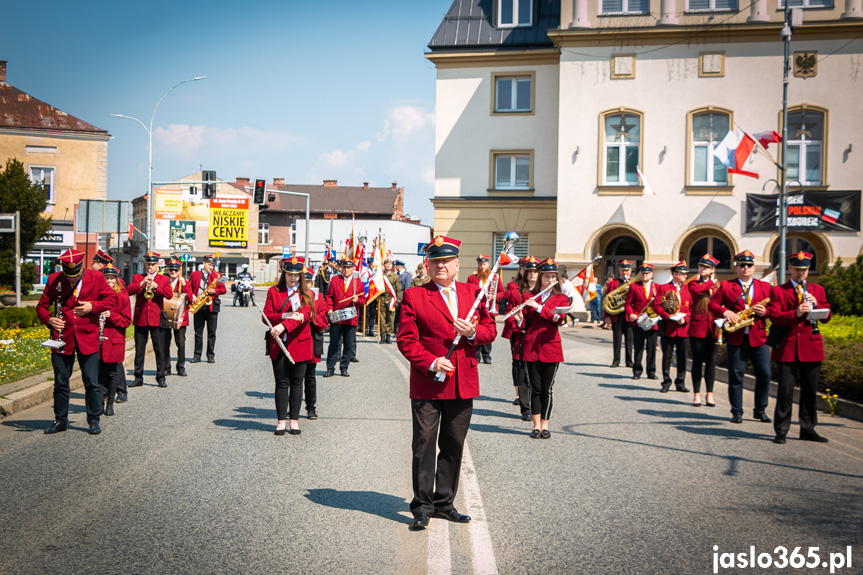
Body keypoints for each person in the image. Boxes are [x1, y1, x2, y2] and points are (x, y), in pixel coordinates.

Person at [396, 235, 497, 531]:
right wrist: (431, 361)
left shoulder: (471, 292)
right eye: (435, 261)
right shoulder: (415, 296)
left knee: (453, 444)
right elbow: (406, 340)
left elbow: (490, 329)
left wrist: (473, 333)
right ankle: (422, 506)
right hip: (429, 382)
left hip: (462, 381)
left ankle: (444, 503)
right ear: (428, 265)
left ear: (456, 264)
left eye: (446, 261)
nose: (440, 266)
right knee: (424, 444)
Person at [36, 249, 119, 435]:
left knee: (91, 382)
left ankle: (93, 420)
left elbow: (112, 298)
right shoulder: (54, 279)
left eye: (75, 276)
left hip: (87, 336)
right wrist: (49, 320)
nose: (72, 280)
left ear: (81, 268)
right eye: (69, 276)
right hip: (62, 337)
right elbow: (41, 306)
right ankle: (60, 420)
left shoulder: (96, 277)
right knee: (60, 382)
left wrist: (93, 306)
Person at [768, 251, 831, 444]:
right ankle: (781, 430)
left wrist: (816, 304)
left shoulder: (818, 290)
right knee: (785, 391)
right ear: (790, 269)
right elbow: (774, 316)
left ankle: (808, 428)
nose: (801, 273)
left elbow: (827, 315)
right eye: (797, 269)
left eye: (804, 270)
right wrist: (795, 313)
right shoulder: (779, 291)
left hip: (811, 347)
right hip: (788, 346)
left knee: (810, 391)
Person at [709, 250, 772, 424]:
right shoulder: (727, 286)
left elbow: (775, 309)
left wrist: (766, 312)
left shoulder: (765, 287)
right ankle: (736, 411)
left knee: (765, 374)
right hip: (736, 338)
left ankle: (760, 410)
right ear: (736, 268)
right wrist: (725, 311)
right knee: (736, 376)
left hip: (759, 337)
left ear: (754, 268)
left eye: (749, 265)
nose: (746, 268)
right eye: (742, 265)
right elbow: (713, 304)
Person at [509, 258, 569, 439]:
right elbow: (522, 326)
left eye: (553, 276)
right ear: (540, 278)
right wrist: (519, 318)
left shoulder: (562, 298)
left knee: (547, 389)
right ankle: (535, 426)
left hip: (551, 348)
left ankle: (545, 425)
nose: (550, 280)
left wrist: (539, 308)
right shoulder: (528, 297)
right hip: (531, 347)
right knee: (534, 389)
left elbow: (557, 319)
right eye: (547, 277)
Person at [263, 257, 314, 435]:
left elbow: (303, 317)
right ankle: (280, 422)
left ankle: (294, 420)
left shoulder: (307, 294)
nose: (293, 278)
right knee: (281, 383)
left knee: (297, 383)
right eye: (289, 274)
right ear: (284, 274)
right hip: (278, 344)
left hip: (300, 344)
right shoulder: (273, 291)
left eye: (296, 275)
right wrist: (283, 316)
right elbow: (266, 316)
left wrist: (282, 326)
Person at [127, 252, 173, 388]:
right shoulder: (137, 277)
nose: (150, 267)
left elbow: (169, 295)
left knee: (159, 349)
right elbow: (129, 291)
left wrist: (156, 287)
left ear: (157, 265)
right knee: (139, 350)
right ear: (144, 264)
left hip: (156, 318)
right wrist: (142, 283)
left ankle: (161, 377)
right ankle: (138, 377)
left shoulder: (163, 279)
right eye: (148, 264)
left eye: (153, 264)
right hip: (141, 318)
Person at [97, 264, 132, 416]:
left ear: (116, 280)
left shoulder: (122, 297)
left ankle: (110, 403)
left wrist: (112, 316)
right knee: (97, 374)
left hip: (114, 340)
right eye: (106, 278)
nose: (109, 281)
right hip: (97, 339)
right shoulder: (96, 296)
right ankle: (99, 404)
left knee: (112, 374)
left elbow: (127, 321)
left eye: (112, 278)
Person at [687, 254, 720, 407]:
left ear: (712, 269)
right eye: (700, 266)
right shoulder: (693, 284)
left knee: (711, 362)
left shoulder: (719, 286)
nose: (701, 269)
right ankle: (697, 394)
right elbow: (698, 292)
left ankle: (710, 394)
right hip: (698, 328)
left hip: (714, 328)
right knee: (697, 362)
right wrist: (711, 283)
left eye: (705, 267)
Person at [324, 259, 366, 377]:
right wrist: (329, 309)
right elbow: (329, 296)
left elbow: (363, 300)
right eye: (344, 267)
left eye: (349, 268)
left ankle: (344, 368)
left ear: (353, 269)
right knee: (333, 344)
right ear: (341, 268)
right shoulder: (335, 280)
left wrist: (357, 300)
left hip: (350, 318)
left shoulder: (358, 283)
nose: (346, 270)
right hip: (337, 317)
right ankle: (330, 368)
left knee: (348, 345)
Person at [504, 256, 535, 417]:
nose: (532, 274)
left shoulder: (543, 290)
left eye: (535, 271)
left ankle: (535, 405)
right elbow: (510, 311)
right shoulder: (515, 288)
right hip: (519, 334)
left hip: (536, 337)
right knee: (520, 367)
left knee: (535, 373)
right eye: (528, 270)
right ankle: (524, 404)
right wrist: (518, 322)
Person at [654, 261, 692, 393]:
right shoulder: (664, 288)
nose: (685, 276)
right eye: (683, 274)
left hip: (683, 329)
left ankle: (680, 382)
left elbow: (691, 308)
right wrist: (668, 316)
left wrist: (685, 319)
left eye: (686, 274)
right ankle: (666, 382)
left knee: (682, 357)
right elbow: (657, 306)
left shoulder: (688, 289)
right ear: (675, 274)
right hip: (669, 328)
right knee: (667, 357)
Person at [466, 254, 504, 363]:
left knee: (488, 331)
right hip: (477, 310)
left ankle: (487, 355)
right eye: (480, 264)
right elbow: (468, 292)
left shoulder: (495, 277)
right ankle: (476, 355)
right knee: (476, 331)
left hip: (490, 308)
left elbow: (502, 292)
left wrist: (494, 297)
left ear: (488, 264)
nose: (482, 266)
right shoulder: (472, 278)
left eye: (484, 264)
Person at [190, 254, 226, 364]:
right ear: (204, 264)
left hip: (212, 306)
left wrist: (215, 291)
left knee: (212, 332)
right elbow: (190, 287)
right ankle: (197, 355)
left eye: (213, 265)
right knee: (198, 332)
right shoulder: (195, 274)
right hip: (199, 306)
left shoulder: (217, 275)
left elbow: (223, 290)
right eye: (209, 265)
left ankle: (210, 355)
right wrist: (192, 296)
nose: (211, 267)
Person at [625, 262, 659, 381]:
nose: (645, 275)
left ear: (652, 274)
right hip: (638, 321)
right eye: (643, 273)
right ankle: (637, 371)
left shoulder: (657, 287)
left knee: (651, 348)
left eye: (647, 273)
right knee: (638, 347)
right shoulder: (634, 286)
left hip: (652, 322)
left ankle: (651, 371)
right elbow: (628, 303)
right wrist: (631, 314)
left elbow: (660, 304)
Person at [304, 267, 329, 420]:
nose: (306, 284)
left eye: (308, 281)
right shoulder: (294, 295)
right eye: (303, 281)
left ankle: (311, 408)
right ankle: (291, 407)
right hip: (295, 341)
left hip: (312, 341)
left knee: (310, 377)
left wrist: (313, 316)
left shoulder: (319, 297)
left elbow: (323, 323)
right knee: (293, 379)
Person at [164, 257, 194, 377]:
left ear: (179, 271)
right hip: (166, 316)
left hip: (181, 317)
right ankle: (167, 367)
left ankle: (180, 367)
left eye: (175, 270)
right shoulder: (164, 281)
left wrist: (185, 284)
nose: (173, 273)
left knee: (180, 343)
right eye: (171, 270)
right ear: (168, 270)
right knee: (165, 343)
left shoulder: (185, 283)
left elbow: (191, 299)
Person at [605, 260, 635, 367]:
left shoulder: (634, 283)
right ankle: (616, 361)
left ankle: (629, 361)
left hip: (629, 316)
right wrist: (607, 317)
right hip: (616, 316)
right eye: (623, 270)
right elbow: (607, 300)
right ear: (619, 271)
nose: (625, 272)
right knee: (617, 339)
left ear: (631, 270)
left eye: (627, 270)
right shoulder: (613, 283)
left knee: (629, 340)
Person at [378, 259, 403, 344]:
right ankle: (382, 336)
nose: (388, 265)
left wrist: (398, 301)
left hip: (392, 299)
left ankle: (388, 336)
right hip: (382, 299)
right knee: (382, 318)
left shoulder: (395, 277)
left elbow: (398, 289)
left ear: (392, 266)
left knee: (390, 318)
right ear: (384, 265)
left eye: (389, 264)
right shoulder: (380, 276)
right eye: (386, 264)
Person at [393, 260, 412, 335]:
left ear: (400, 266)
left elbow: (407, 287)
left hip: (402, 295)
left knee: (401, 314)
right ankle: (395, 330)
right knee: (395, 314)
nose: (395, 268)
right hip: (395, 295)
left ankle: (399, 330)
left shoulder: (407, 275)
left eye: (396, 266)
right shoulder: (396, 274)